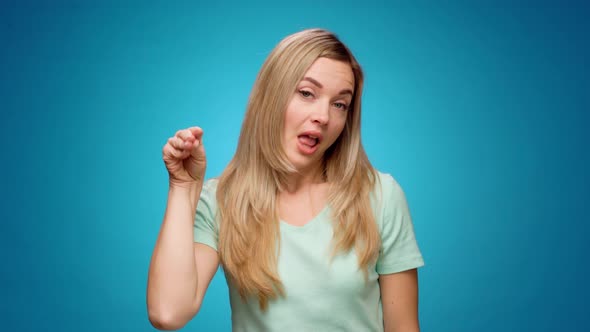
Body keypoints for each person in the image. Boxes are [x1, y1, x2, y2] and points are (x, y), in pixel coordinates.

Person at [147, 28, 425, 331]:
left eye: (340, 104)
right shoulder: (221, 201)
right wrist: (183, 187)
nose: (324, 116)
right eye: (307, 93)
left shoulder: (381, 196)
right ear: (271, 96)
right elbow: (168, 312)